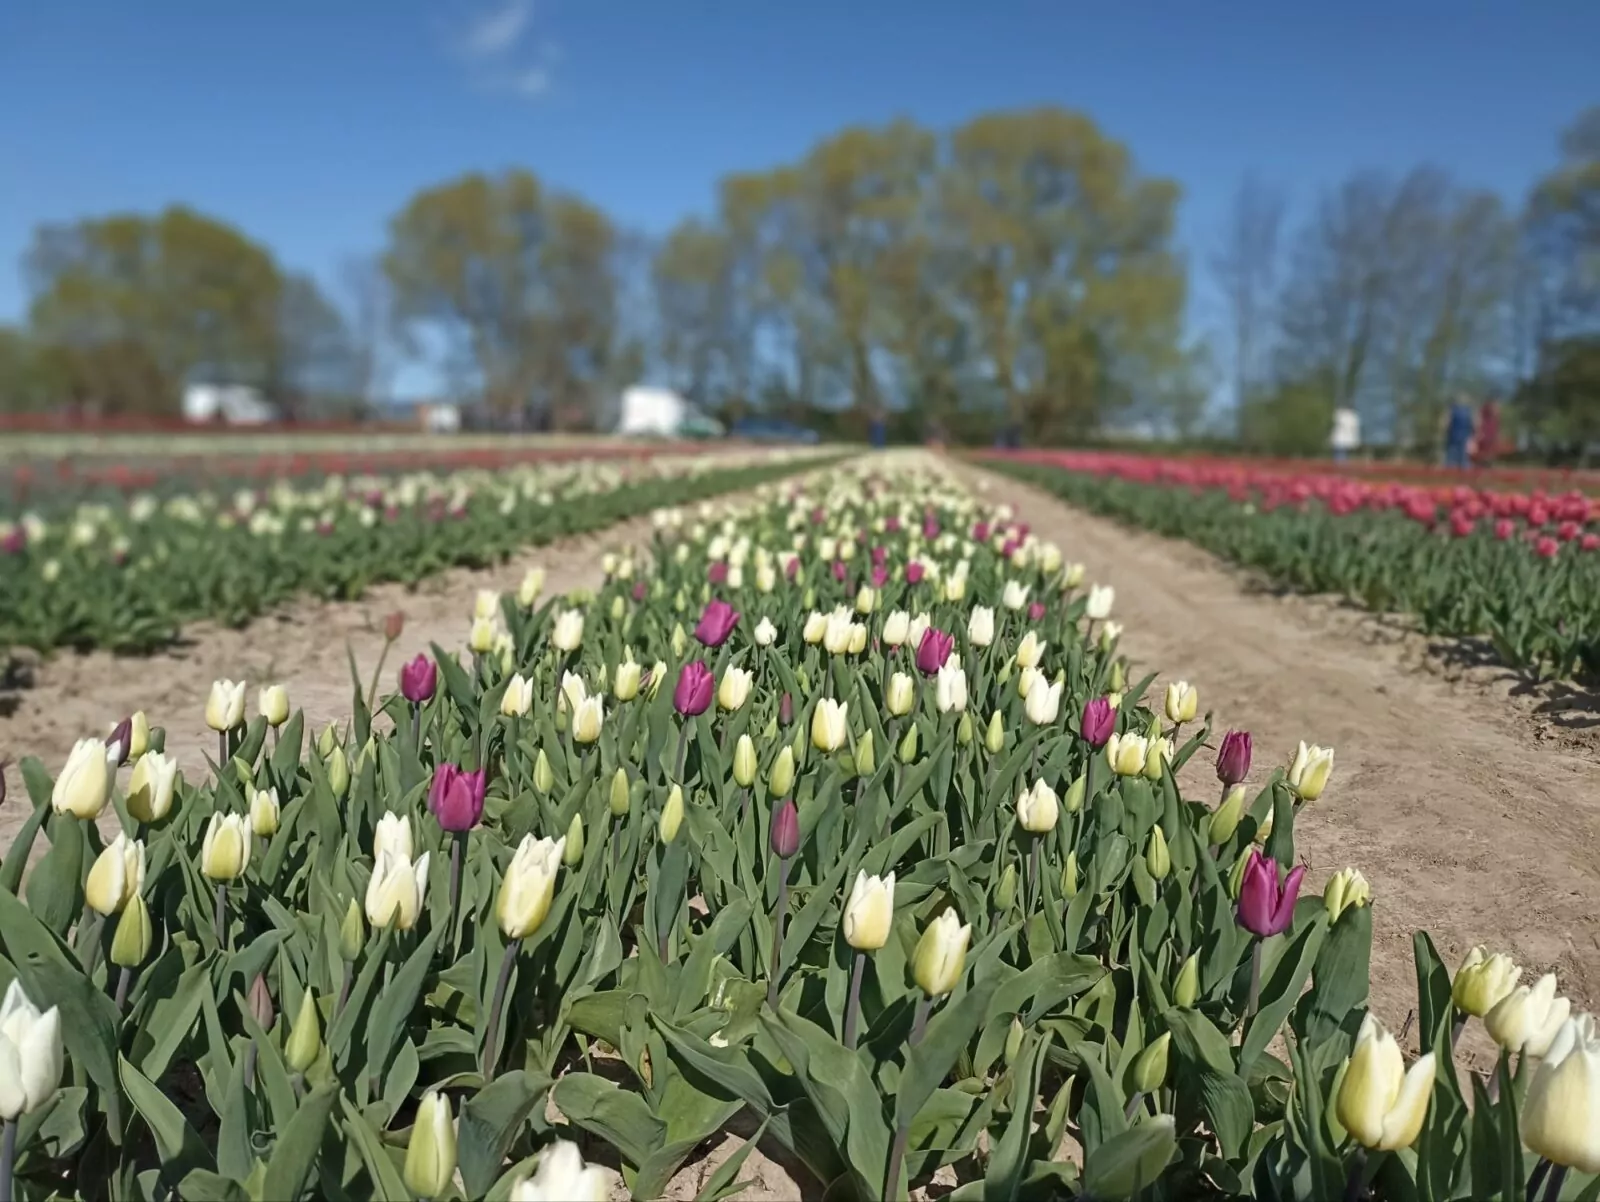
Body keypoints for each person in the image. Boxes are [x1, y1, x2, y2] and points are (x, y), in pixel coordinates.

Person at [1443, 395, 1475, 469]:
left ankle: (1450, 477)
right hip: (1465, 439)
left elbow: (1446, 424)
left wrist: (1446, 432)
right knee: (1464, 461)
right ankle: (1465, 478)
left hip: (1453, 438)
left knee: (1451, 461)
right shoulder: (1468, 411)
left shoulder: (1452, 410)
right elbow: (1473, 425)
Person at [1474, 399, 1501, 468]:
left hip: (1489, 433)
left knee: (1489, 452)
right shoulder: (1484, 410)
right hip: (1486, 433)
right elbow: (1478, 420)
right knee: (1484, 453)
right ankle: (1483, 466)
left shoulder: (1492, 414)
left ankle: (1486, 466)